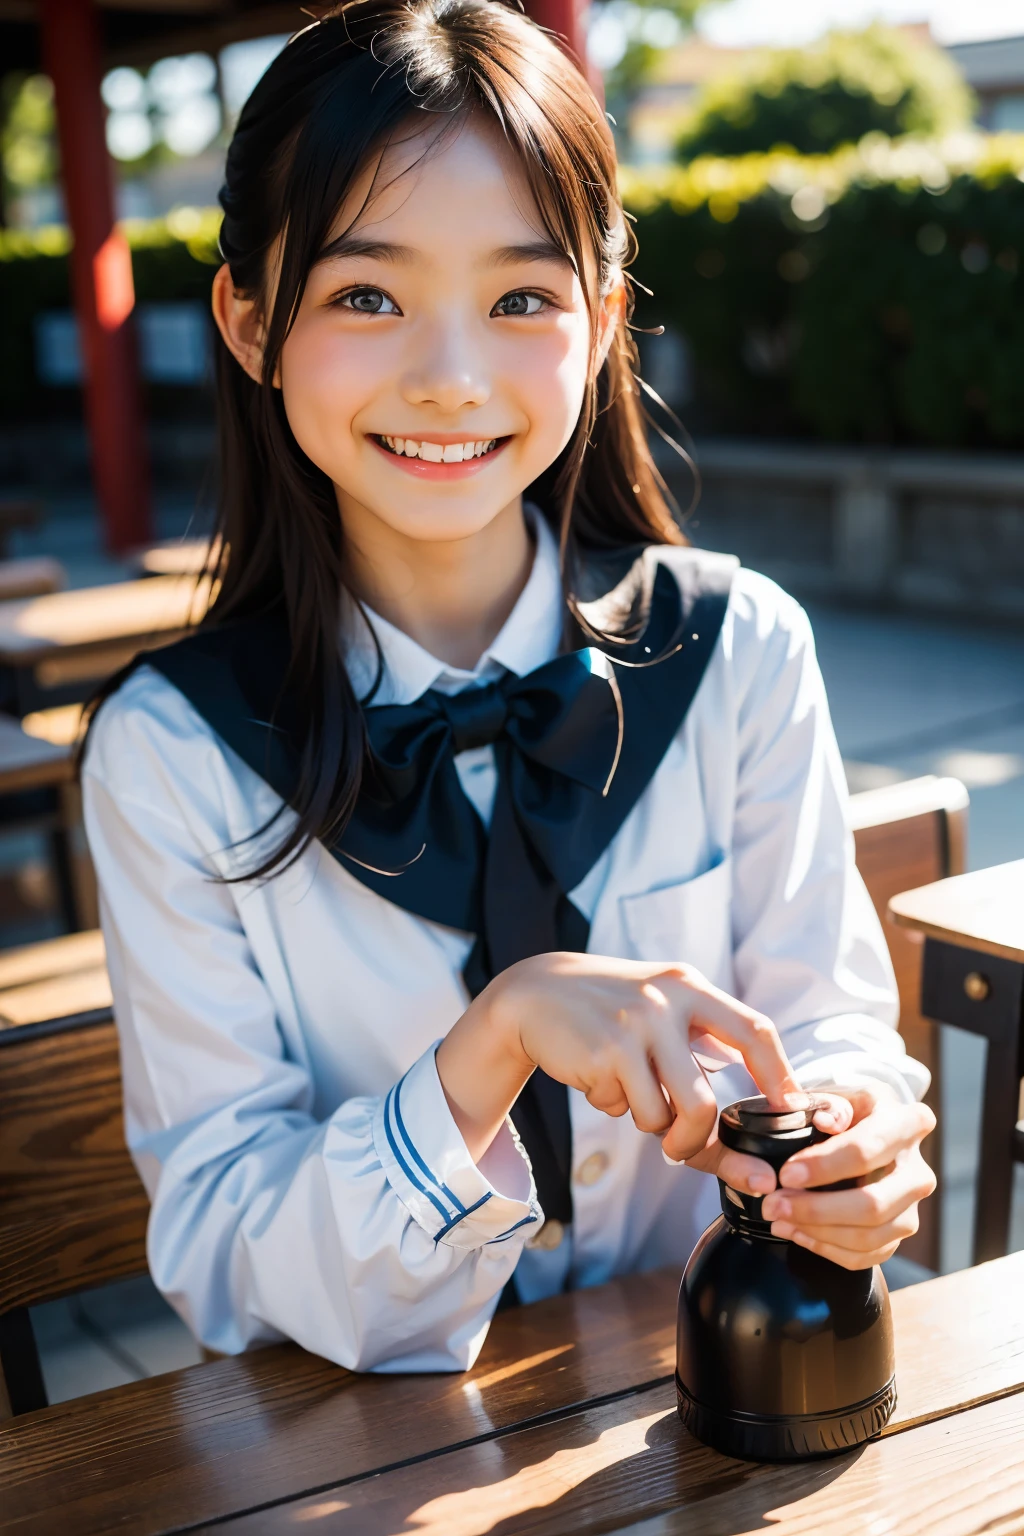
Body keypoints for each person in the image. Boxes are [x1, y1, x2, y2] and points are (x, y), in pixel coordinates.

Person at [81, 0, 935, 1373]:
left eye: (521, 298)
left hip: (712, 1407)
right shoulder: (173, 755)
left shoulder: (741, 652)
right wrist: (491, 1045)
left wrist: (846, 1133)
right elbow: (228, 1248)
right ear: (249, 321)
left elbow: (828, 1024)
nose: (451, 378)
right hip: (358, 1469)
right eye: (368, 294)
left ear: (600, 320)